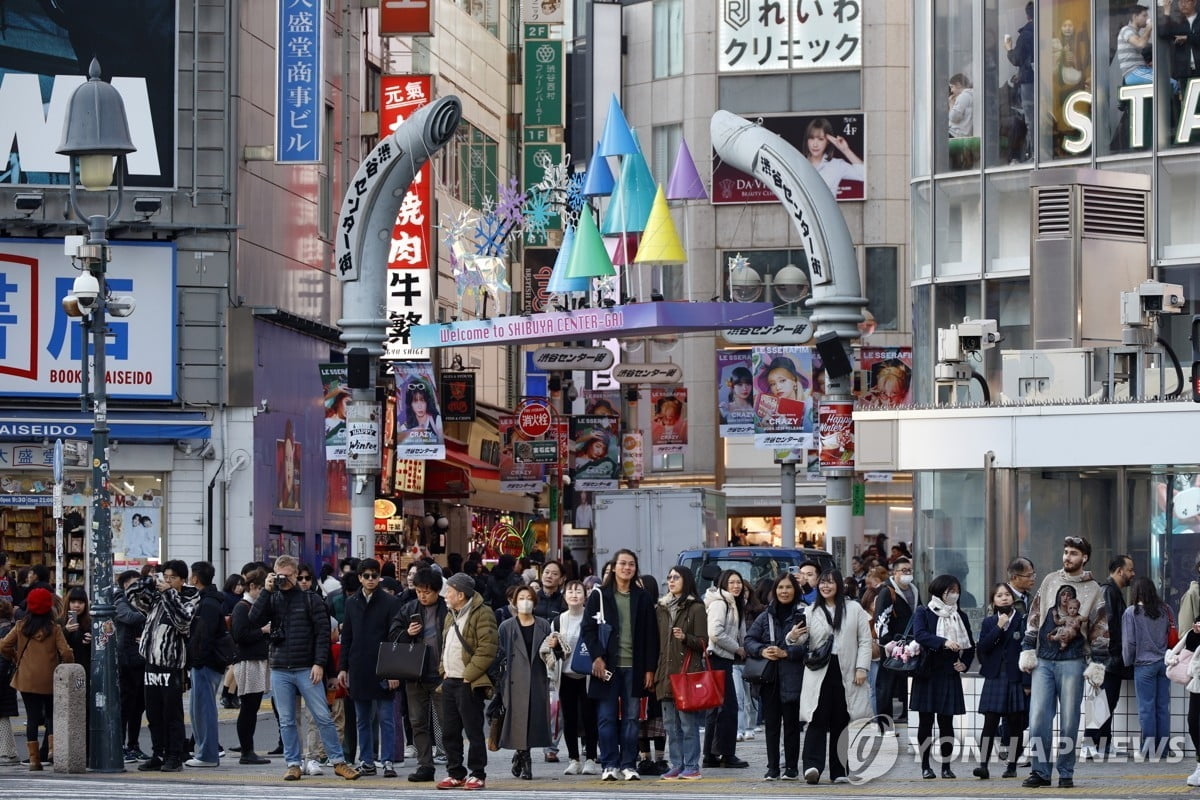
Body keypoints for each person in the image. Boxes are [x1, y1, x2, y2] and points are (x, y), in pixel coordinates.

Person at [248, 555, 360, 782]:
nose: (284, 580)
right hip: (280, 666)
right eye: (280, 576)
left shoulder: (311, 599)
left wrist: (320, 664)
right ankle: (292, 763)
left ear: (296, 573)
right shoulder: (272, 598)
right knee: (287, 719)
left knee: (322, 716)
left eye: (289, 576)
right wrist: (267, 591)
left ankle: (338, 761)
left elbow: (322, 635)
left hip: (306, 667)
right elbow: (253, 619)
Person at [1020, 536, 1109, 790]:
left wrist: (1098, 662)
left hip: (1074, 660)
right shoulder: (1050, 580)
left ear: (1084, 558)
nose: (1067, 557)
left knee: (1070, 720)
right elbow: (1035, 615)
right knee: (1037, 717)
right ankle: (1040, 771)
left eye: (1073, 553)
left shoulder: (1094, 588)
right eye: (1066, 552)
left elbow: (1100, 626)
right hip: (1044, 660)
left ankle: (1066, 772)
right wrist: (1028, 647)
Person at [580, 548, 659, 782]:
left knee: (633, 718)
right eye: (623, 563)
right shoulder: (600, 595)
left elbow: (651, 636)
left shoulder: (643, 597)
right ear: (614, 567)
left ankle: (628, 764)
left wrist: (649, 669)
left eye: (631, 564)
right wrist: (596, 656)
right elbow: (587, 629)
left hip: (635, 667)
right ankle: (609, 763)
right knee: (606, 717)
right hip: (607, 666)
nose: (627, 568)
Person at [791, 569, 872, 784]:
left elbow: (865, 640)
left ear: (838, 585)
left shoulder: (854, 609)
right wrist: (793, 636)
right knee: (816, 717)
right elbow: (800, 640)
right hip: (819, 670)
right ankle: (812, 766)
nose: (826, 586)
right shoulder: (810, 611)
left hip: (847, 670)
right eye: (822, 583)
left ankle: (839, 770)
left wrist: (862, 667)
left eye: (830, 582)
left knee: (842, 719)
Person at [126, 560, 198, 772]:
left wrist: (168, 593)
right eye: (165, 576)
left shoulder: (189, 596)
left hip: (171, 664)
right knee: (153, 712)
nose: (167, 581)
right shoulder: (157, 597)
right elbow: (132, 597)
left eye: (173, 577)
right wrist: (147, 580)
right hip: (150, 663)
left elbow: (183, 621)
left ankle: (174, 755)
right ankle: (158, 753)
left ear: (183, 580)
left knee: (172, 713)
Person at [436, 571, 499, 790]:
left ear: (461, 594)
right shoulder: (450, 613)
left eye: (449, 591)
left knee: (473, 731)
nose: (445, 595)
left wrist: (467, 675)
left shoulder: (483, 613)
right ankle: (455, 773)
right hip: (450, 680)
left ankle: (477, 773)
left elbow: (487, 648)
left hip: (469, 682)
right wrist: (444, 670)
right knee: (450, 731)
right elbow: (446, 644)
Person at [338, 557, 400, 777]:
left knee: (386, 718)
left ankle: (388, 760)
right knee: (362, 718)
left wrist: (394, 670)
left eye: (375, 575)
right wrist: (343, 668)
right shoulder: (351, 602)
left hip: (383, 667)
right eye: (367, 576)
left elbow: (396, 638)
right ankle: (367, 761)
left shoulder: (391, 602)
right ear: (360, 578)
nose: (371, 579)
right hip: (359, 666)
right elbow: (347, 638)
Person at [911, 573, 976, 780]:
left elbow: (970, 645)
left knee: (947, 723)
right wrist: (944, 642)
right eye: (950, 591)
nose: (954, 595)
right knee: (925, 721)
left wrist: (964, 663)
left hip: (949, 673)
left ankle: (946, 767)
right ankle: (925, 766)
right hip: (928, 672)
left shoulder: (961, 616)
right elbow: (920, 635)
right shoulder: (924, 612)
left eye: (956, 591)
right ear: (940, 592)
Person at [1, 588, 72, 771]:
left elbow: (3, 645)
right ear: (49, 608)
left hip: (26, 679)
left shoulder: (20, 626)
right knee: (51, 715)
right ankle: (52, 750)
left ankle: (33, 759)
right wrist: (67, 664)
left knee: (32, 718)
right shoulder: (54, 629)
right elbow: (65, 652)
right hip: (50, 678)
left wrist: (15, 656)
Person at [745, 573, 805, 780]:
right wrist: (761, 650)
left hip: (793, 677)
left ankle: (791, 768)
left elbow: (811, 647)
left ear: (795, 590)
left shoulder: (803, 614)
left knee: (791, 725)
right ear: (775, 591)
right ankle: (772, 768)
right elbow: (748, 640)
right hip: (769, 679)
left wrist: (787, 652)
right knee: (771, 725)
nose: (784, 591)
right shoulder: (765, 615)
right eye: (780, 588)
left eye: (788, 587)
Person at [391, 567, 447, 783]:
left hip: (442, 673)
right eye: (419, 591)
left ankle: (454, 764)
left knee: (447, 721)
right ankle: (425, 765)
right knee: (417, 722)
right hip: (415, 673)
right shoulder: (409, 609)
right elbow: (392, 634)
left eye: (427, 592)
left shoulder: (447, 609)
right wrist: (407, 633)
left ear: (437, 591)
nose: (422, 596)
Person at [652, 565, 708, 781]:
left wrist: (685, 637)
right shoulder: (662, 607)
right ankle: (677, 764)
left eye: (676, 577)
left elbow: (704, 642)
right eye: (669, 577)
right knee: (670, 726)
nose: (671, 581)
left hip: (686, 675)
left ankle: (692, 765)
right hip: (665, 674)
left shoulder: (695, 607)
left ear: (686, 580)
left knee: (687, 724)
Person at [541, 578, 599, 775]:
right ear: (565, 596)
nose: (574, 595)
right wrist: (553, 645)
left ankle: (591, 758)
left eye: (578, 592)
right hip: (565, 675)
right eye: (570, 592)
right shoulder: (558, 620)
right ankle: (574, 759)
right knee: (569, 719)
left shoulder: (592, 619)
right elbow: (550, 648)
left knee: (590, 717)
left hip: (588, 676)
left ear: (585, 596)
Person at [973, 583, 1030, 779]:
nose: (1004, 598)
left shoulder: (1022, 620)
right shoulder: (989, 622)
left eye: (1007, 594)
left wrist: (1027, 682)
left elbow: (1028, 651)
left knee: (1015, 724)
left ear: (1013, 599)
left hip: (1015, 676)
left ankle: (1012, 766)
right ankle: (983, 765)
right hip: (995, 676)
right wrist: (998, 627)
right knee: (989, 722)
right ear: (993, 601)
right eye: (999, 595)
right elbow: (983, 648)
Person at [497, 585, 553, 780]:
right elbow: (500, 654)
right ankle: (526, 760)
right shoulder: (506, 627)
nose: (525, 601)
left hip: (537, 678)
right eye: (521, 598)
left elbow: (555, 654)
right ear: (514, 601)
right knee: (519, 720)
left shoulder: (543, 625)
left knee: (532, 720)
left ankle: (520, 756)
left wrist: (554, 647)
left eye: (529, 598)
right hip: (514, 680)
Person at [1083, 554, 1135, 758]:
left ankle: (1104, 743)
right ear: (1119, 571)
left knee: (1108, 702)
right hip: (1106, 659)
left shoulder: (1113, 592)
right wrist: (1111, 654)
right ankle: (1089, 743)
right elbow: (1107, 627)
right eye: (1130, 569)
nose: (1133, 573)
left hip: (1111, 659)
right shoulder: (1107, 591)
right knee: (1101, 702)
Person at [701, 569, 748, 769]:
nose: (736, 586)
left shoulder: (732, 603)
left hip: (720, 659)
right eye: (732, 583)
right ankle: (727, 754)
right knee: (727, 709)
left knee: (716, 709)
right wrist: (736, 647)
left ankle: (710, 755)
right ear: (723, 585)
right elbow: (715, 632)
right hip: (718, 658)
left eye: (739, 582)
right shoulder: (721, 603)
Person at [1122, 576, 1172, 759]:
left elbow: (1129, 643)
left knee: (1146, 708)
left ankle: (1148, 750)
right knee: (1162, 707)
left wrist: (1127, 662)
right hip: (1164, 663)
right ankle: (1164, 749)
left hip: (1143, 665)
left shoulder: (1132, 612)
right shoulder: (1165, 610)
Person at [185, 561, 225, 768]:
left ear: (195, 578)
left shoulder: (206, 603)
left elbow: (204, 636)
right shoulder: (211, 600)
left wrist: (196, 660)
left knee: (203, 709)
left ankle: (207, 754)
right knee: (201, 708)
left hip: (205, 663)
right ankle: (204, 751)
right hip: (209, 662)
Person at [230, 568, 271, 764]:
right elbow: (240, 635)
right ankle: (247, 751)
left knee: (251, 707)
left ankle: (248, 749)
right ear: (253, 587)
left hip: (255, 660)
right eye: (261, 589)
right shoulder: (242, 607)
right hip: (247, 661)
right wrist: (262, 631)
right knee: (248, 707)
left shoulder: (251, 606)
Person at [873, 556, 919, 727]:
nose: (907, 573)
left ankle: (908, 715)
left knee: (908, 679)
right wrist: (887, 644)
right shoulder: (888, 591)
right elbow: (881, 620)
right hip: (892, 645)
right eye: (903, 570)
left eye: (909, 570)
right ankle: (884, 722)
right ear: (895, 572)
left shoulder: (914, 590)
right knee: (886, 683)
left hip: (911, 644)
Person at [114, 569, 149, 762]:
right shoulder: (120, 601)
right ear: (126, 585)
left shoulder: (141, 602)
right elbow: (128, 618)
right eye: (135, 583)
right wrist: (147, 611)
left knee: (138, 706)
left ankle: (133, 745)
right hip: (125, 661)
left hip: (141, 660)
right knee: (125, 705)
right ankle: (119, 745)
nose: (139, 587)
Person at [802, 117, 865, 197]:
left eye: (820, 139)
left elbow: (865, 176)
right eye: (811, 138)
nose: (815, 144)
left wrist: (846, 150)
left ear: (828, 141)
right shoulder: (798, 165)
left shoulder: (837, 165)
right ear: (807, 140)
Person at [1004, 2, 1034, 162]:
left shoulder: (1027, 33)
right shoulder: (1046, 30)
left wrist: (1008, 48)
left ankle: (1035, 155)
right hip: (1042, 81)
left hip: (1029, 83)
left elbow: (1017, 59)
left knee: (1030, 119)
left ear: (1027, 15)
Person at [754, 356, 809, 429]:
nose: (778, 387)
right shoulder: (767, 410)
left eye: (782, 380)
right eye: (772, 384)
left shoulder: (809, 406)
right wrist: (767, 429)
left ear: (794, 380)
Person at [1117, 5, 1158, 86]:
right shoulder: (1126, 30)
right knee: (1165, 82)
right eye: (1144, 15)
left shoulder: (1135, 34)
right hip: (1133, 72)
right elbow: (1141, 44)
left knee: (1166, 79)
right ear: (1135, 16)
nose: (1147, 18)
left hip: (1139, 70)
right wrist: (1149, 28)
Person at [398, 377, 444, 441]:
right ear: (410, 404)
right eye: (415, 401)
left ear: (427, 402)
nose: (419, 406)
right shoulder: (406, 426)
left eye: (422, 400)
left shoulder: (436, 420)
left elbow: (441, 442)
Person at [948, 73, 974, 138]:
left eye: (952, 87)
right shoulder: (972, 95)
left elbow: (954, 117)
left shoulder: (963, 96)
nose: (951, 90)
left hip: (955, 134)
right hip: (965, 134)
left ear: (958, 85)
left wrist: (951, 104)